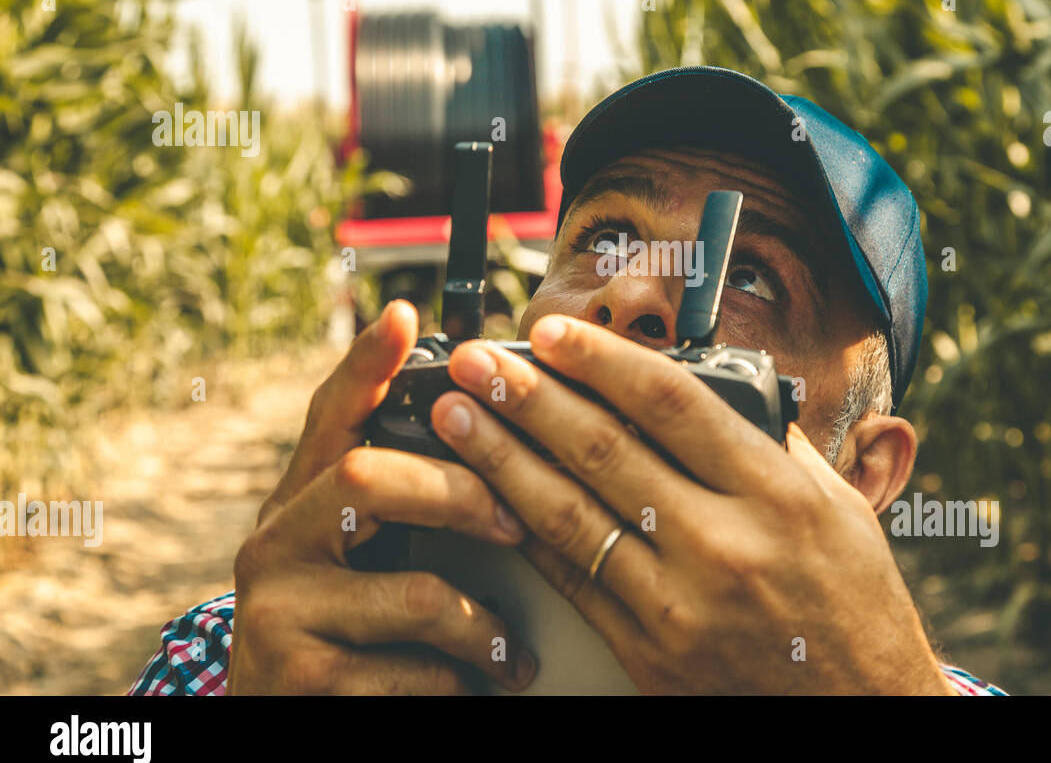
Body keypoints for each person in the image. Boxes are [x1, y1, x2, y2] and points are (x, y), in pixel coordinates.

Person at [129, 66, 1005, 695]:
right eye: (604, 241)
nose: (627, 294)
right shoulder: (260, 646)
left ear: (864, 475)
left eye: (746, 277)